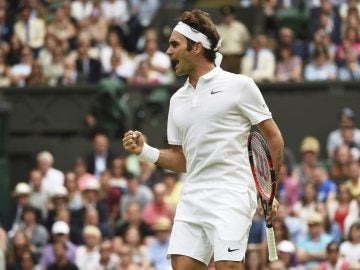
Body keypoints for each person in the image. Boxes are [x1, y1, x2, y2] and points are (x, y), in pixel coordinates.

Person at [122, 9, 283, 270]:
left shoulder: (240, 86)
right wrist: (145, 151)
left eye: (175, 44)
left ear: (196, 48)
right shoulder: (177, 100)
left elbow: (273, 137)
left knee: (227, 267)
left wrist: (269, 191)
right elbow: (182, 158)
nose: (168, 51)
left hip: (232, 194)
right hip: (193, 196)